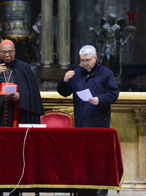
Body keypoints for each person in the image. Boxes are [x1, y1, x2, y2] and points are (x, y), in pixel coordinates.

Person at [57, 45, 119, 196]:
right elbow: (64, 93)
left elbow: (114, 94)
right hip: (82, 123)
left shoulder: (106, 73)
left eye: (87, 60)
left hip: (99, 122)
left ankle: (100, 188)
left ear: (95, 58)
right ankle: (82, 187)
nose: (84, 63)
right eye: (82, 60)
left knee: (99, 158)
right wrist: (64, 81)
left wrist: (100, 99)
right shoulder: (76, 73)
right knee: (82, 157)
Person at [0, 39, 44, 128]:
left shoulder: (24, 67)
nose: (7, 55)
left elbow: (33, 93)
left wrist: (21, 97)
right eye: (4, 53)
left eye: (10, 52)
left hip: (18, 109)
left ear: (14, 52)